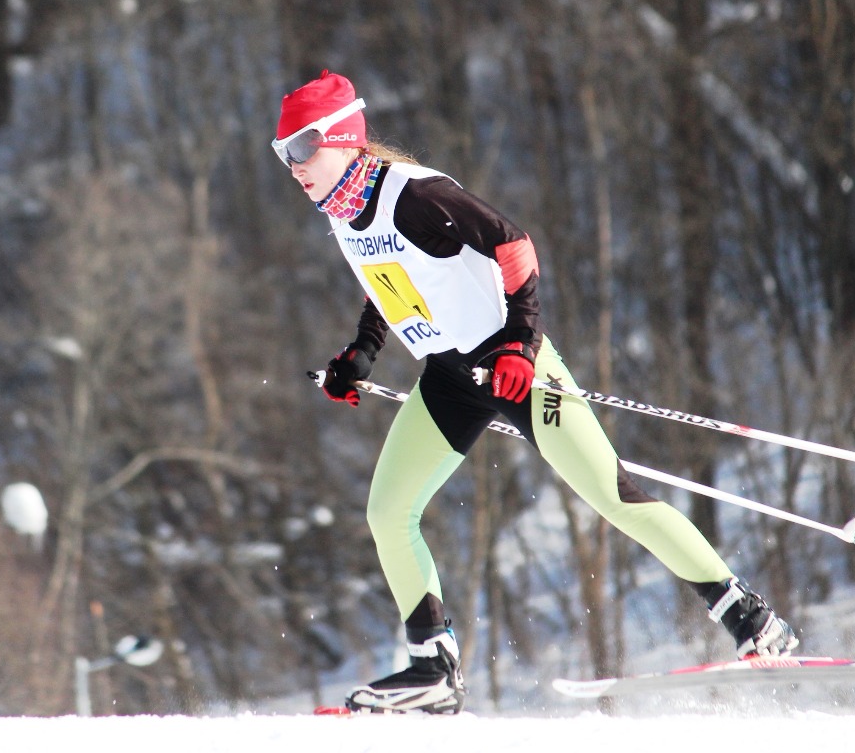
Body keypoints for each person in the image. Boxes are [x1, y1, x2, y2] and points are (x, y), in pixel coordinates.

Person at [271, 71, 798, 715]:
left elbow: (513, 244)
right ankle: (432, 668)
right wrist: (361, 353)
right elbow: (390, 281)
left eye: (301, 147)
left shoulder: (413, 194)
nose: (293, 165)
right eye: (282, 153)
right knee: (388, 511)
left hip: (510, 365)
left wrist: (521, 344)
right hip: (447, 377)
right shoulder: (344, 210)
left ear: (345, 138)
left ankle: (753, 620)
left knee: (613, 496)